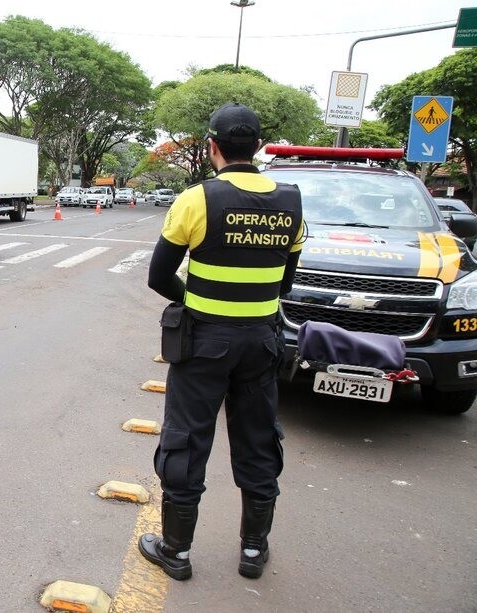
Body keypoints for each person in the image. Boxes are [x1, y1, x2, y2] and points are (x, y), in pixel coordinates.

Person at [138, 103, 304, 581]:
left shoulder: (196, 200)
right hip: (262, 342)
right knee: (257, 439)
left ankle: (177, 551)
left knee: (187, 439)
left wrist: (198, 297)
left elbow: (158, 275)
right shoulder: (291, 201)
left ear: (212, 147)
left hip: (204, 342)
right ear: (258, 147)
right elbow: (284, 283)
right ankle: (253, 551)